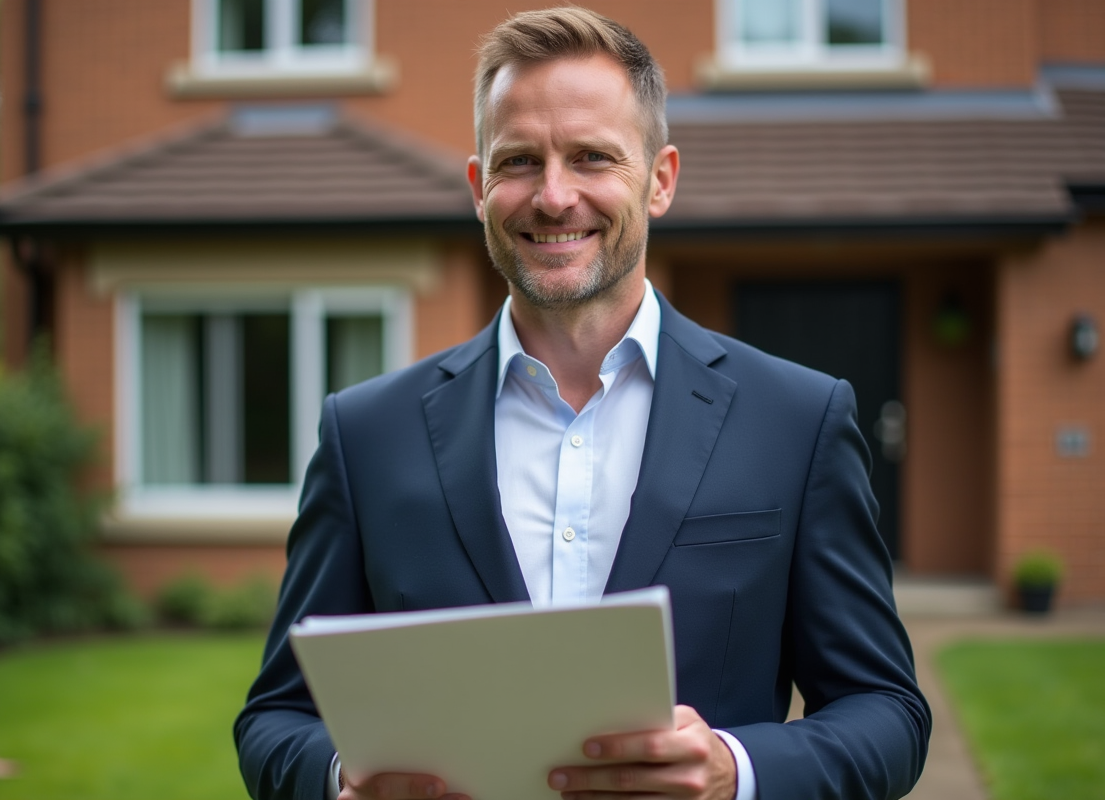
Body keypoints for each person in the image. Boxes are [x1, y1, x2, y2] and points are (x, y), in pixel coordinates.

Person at [234, 8, 930, 800]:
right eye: (520, 161)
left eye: (592, 157)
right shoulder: (366, 436)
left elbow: (888, 713)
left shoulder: (798, 422)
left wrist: (735, 771)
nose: (554, 196)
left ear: (660, 179)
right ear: (478, 187)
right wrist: (338, 779)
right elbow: (274, 719)